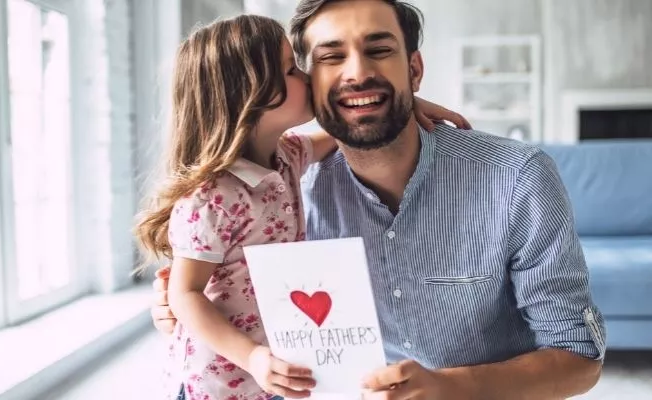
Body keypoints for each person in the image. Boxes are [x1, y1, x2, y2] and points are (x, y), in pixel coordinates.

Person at [152, 1, 608, 399]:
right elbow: (213, 285)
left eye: (379, 50)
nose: (357, 73)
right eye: (330, 57)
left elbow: (579, 359)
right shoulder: (291, 184)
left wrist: (453, 388)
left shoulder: (517, 176)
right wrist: (179, 306)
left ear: (414, 69)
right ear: (310, 83)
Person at [136, 13, 471, 400]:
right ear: (250, 94)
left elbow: (350, 124)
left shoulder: (288, 157)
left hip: (273, 373)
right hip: (215, 384)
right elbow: (185, 296)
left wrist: (402, 101)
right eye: (291, 70)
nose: (308, 78)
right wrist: (254, 357)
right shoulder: (213, 199)